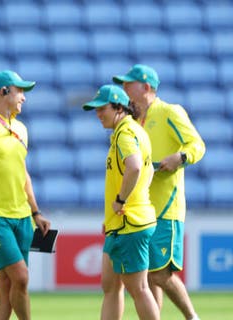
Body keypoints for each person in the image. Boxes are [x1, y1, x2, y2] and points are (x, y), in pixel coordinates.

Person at [113, 64, 205, 320]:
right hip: (142, 207)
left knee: (159, 274)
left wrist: (180, 157)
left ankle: (192, 316)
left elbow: (197, 144)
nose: (124, 89)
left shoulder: (169, 112)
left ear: (147, 87)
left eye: (128, 84)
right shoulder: (132, 121)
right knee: (147, 274)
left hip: (166, 206)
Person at [0, 70, 50, 320]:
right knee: (21, 276)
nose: (24, 98)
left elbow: (22, 171)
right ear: (4, 91)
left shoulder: (21, 129)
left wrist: (35, 211)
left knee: (6, 285)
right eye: (20, 91)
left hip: (22, 215)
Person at [82, 84, 160, 320]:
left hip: (130, 222)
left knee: (138, 288)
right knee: (111, 285)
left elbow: (135, 166)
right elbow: (149, 171)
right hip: (121, 223)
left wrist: (121, 200)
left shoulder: (125, 132)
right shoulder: (133, 130)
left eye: (101, 109)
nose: (98, 114)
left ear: (118, 107)